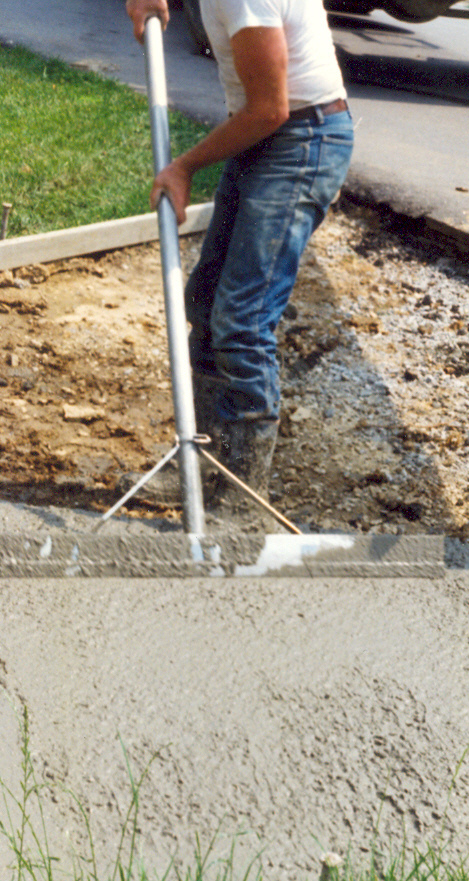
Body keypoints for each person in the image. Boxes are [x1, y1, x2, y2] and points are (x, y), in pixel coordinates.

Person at [126, 0, 353, 518]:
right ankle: (206, 463)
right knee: (207, 304)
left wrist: (184, 166)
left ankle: (244, 498)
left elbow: (269, 107)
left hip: (301, 139)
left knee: (242, 320)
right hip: (268, 132)